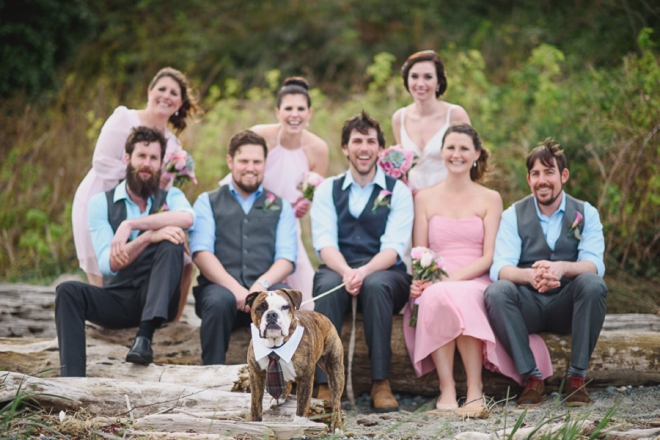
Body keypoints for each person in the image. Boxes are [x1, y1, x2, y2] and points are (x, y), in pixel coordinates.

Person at [402, 123, 551, 416]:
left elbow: (490, 256)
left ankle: (474, 389)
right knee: (436, 295)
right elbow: (421, 253)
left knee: (458, 294)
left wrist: (451, 279)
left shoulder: (490, 198)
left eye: (463, 149)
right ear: (442, 152)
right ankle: (446, 388)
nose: (456, 154)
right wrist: (421, 281)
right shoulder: (423, 198)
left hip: (477, 276)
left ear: (476, 154)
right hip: (435, 279)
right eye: (451, 148)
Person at [55, 126, 196, 377]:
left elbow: (187, 218)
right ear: (127, 159)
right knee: (67, 291)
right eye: (141, 156)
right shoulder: (101, 202)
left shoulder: (171, 195)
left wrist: (131, 225)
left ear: (161, 164)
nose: (147, 164)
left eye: (153, 158)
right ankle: (71, 380)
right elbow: (109, 264)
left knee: (172, 240)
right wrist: (150, 235)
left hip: (160, 299)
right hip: (119, 298)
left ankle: (144, 336)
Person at [485, 139, 607, 407]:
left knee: (593, 283)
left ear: (563, 175)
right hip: (528, 306)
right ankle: (532, 378)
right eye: (536, 174)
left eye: (549, 172)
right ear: (529, 179)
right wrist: (529, 276)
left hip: (567, 306)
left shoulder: (587, 213)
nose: (542, 180)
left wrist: (562, 268)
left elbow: (594, 263)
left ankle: (576, 379)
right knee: (497, 290)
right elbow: (500, 267)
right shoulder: (512, 215)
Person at [310, 111, 413, 412]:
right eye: (357, 141)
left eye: (371, 141)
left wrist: (364, 272)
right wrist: (345, 271)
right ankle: (325, 384)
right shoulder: (327, 189)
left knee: (377, 285)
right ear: (345, 148)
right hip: (338, 265)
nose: (364, 147)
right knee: (325, 285)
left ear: (380, 148)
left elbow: (394, 248)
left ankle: (381, 383)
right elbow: (324, 243)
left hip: (385, 270)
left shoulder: (399, 191)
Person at [72, 67, 199, 296]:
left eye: (173, 93)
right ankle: (99, 321)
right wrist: (139, 174)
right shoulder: (124, 117)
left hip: (140, 208)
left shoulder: (173, 144)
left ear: (180, 103)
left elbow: (163, 190)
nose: (166, 96)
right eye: (161, 89)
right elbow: (101, 161)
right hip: (100, 194)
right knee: (100, 266)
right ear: (149, 91)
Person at [189, 130, 297, 365]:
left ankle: (284, 377)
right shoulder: (207, 201)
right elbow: (201, 252)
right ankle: (212, 375)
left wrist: (261, 286)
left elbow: (287, 258)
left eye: (257, 161)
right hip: (220, 291)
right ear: (230, 161)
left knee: (283, 299)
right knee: (218, 301)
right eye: (244, 161)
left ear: (265, 163)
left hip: (265, 288)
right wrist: (236, 290)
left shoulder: (281, 206)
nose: (251, 167)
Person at [249, 77, 329, 307]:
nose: (295, 114)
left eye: (301, 109)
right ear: (277, 111)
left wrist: (305, 205)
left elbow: (311, 195)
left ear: (310, 112)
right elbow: (242, 169)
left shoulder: (318, 149)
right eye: (288, 108)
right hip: (254, 216)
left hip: (287, 224)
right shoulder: (260, 135)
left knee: (305, 294)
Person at [392, 50, 471, 191]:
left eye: (428, 77)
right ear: (406, 80)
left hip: (449, 194)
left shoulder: (455, 115)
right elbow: (401, 168)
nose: (420, 83)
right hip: (412, 197)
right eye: (414, 76)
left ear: (438, 82)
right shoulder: (399, 118)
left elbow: (469, 159)